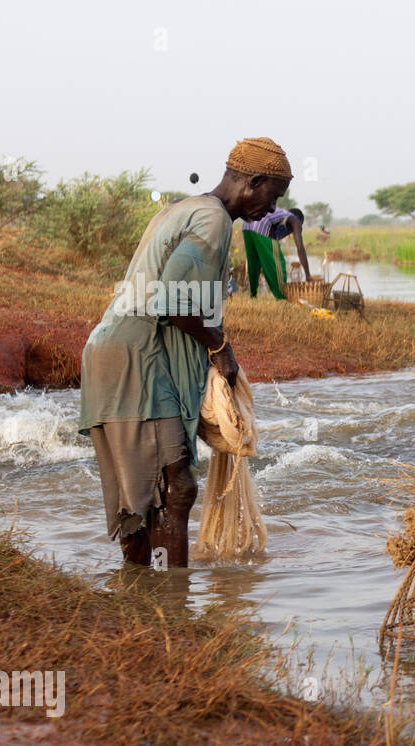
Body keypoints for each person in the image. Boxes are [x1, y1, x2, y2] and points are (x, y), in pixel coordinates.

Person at [78, 136, 292, 568]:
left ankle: (141, 599)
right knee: (177, 488)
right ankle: (172, 607)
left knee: (142, 499)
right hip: (136, 357)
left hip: (111, 351)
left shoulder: (184, 208)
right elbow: (172, 302)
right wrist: (219, 346)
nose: (272, 211)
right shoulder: (214, 221)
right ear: (253, 182)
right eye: (273, 196)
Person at [243, 205, 310, 298]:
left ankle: (253, 295)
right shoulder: (295, 220)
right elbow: (300, 248)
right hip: (261, 226)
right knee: (280, 264)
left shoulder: (280, 221)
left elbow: (258, 254)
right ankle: (282, 298)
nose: (293, 231)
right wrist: (308, 275)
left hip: (247, 226)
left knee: (254, 265)